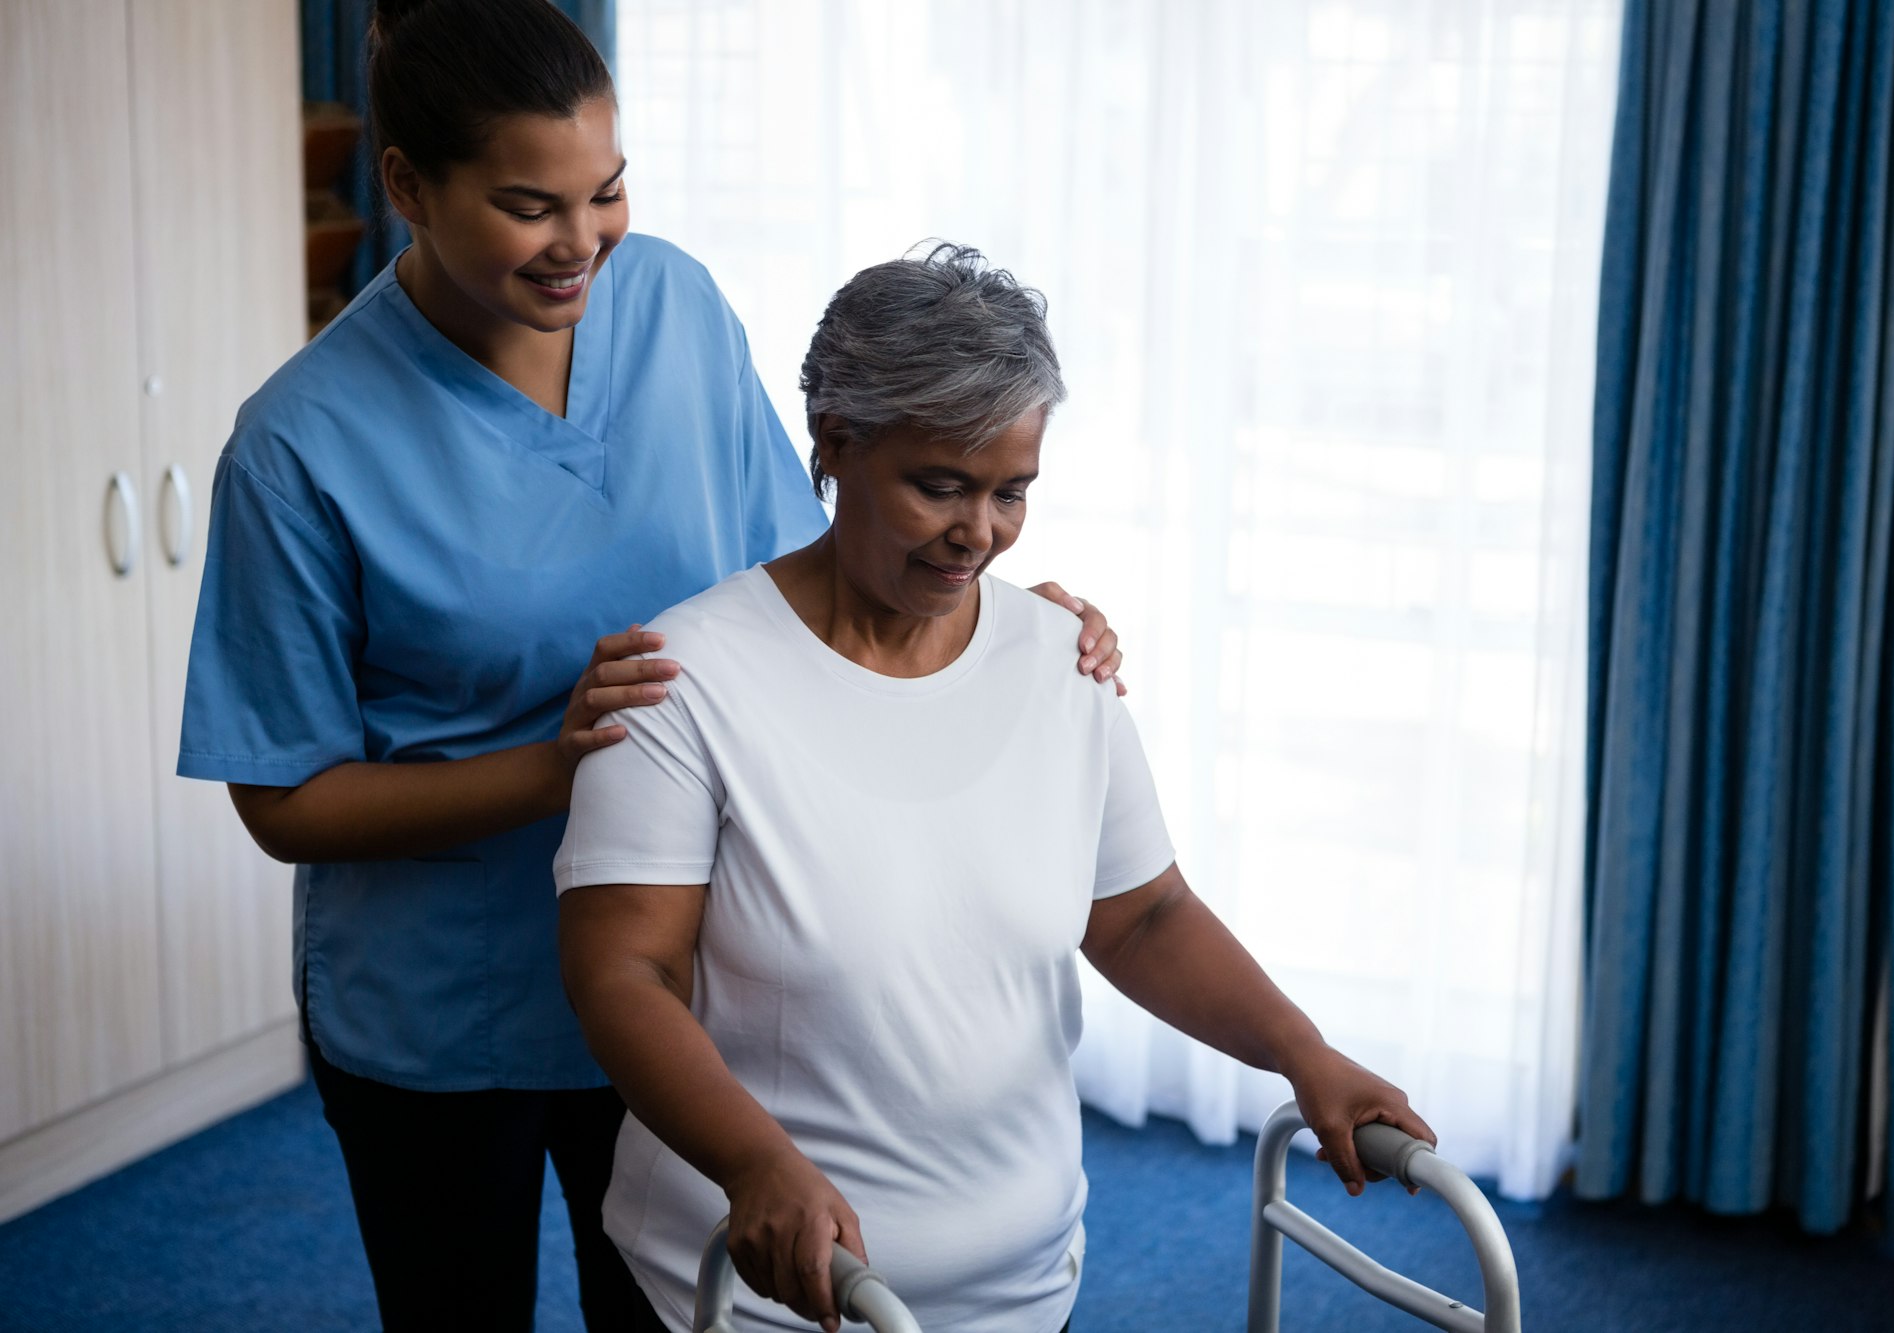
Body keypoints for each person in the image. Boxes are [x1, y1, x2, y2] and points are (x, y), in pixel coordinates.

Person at [174, 3, 1123, 1329]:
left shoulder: (669, 301)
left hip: (683, 978)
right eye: (529, 205)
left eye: (607, 191)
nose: (584, 243)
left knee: (676, 1311)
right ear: (406, 188)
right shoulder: (299, 445)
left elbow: (810, 574)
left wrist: (992, 611)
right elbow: (283, 799)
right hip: (454, 1018)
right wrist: (548, 765)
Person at [555, 245, 1435, 1333]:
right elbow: (621, 974)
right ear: (834, 444)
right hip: (764, 1291)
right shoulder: (683, 681)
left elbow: (1143, 913)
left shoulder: (1062, 663)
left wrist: (1303, 1054)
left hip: (1021, 1287)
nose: (979, 533)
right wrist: (754, 1162)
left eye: (1010, 492)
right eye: (939, 487)